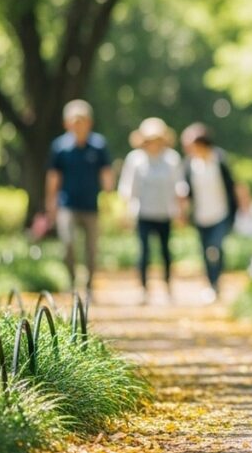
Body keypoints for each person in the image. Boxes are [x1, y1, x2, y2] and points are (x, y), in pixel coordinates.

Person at [46, 100, 114, 296]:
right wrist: (50, 202)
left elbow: (106, 172)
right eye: (74, 121)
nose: (78, 124)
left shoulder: (99, 146)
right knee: (67, 244)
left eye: (82, 120)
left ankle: (90, 285)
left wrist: (109, 197)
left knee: (92, 249)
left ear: (89, 122)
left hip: (91, 205)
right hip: (67, 205)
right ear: (67, 123)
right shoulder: (60, 147)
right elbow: (53, 176)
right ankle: (72, 281)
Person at [118, 118, 182, 304]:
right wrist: (124, 213)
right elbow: (128, 188)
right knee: (143, 252)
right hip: (143, 213)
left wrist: (180, 211)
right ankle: (144, 289)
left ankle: (168, 287)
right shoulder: (135, 159)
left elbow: (178, 187)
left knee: (165, 251)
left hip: (164, 213)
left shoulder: (171, 159)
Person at [179, 123, 238, 304]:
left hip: (221, 213)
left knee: (216, 247)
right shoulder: (189, 164)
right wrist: (182, 212)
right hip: (200, 216)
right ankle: (211, 283)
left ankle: (217, 281)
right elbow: (185, 192)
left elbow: (232, 185)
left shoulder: (219, 160)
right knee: (206, 251)